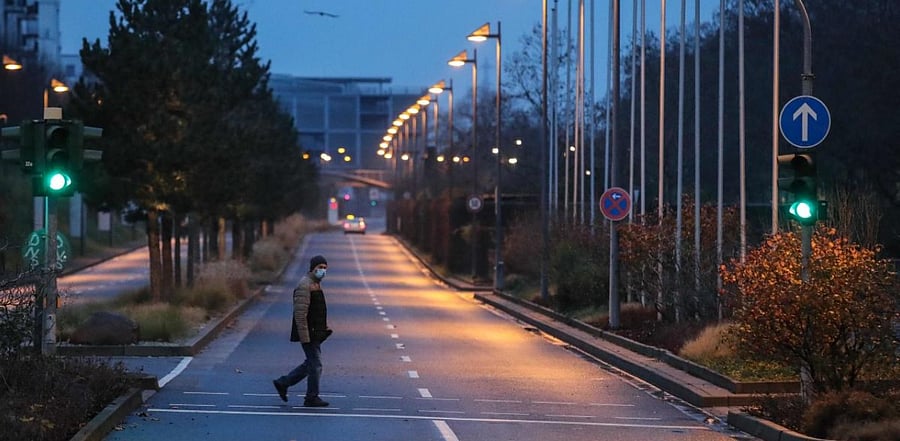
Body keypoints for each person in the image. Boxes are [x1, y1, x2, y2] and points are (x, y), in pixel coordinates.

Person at [273, 255, 332, 407]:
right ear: (312, 268)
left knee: (311, 364)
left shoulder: (315, 284)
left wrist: (323, 328)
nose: (322, 271)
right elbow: (300, 314)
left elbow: (316, 310)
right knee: (316, 365)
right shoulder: (305, 285)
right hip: (308, 333)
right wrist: (304, 336)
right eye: (320, 268)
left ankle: (283, 383)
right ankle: (311, 397)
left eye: (325, 268)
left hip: (315, 332)